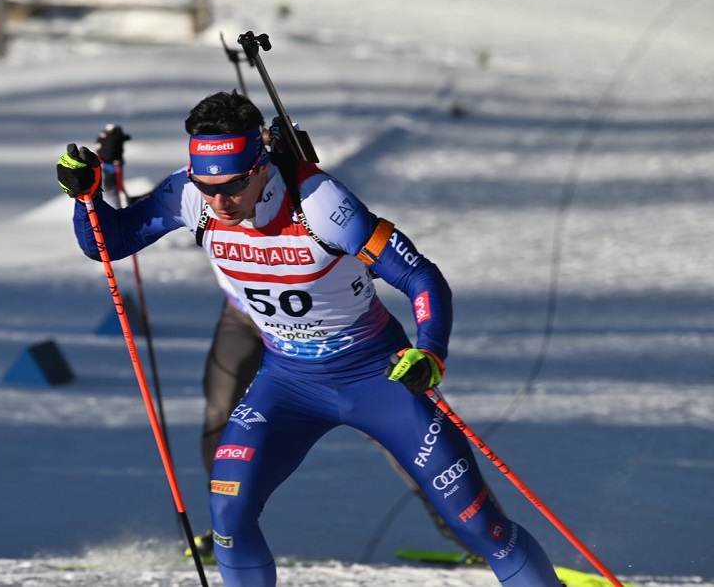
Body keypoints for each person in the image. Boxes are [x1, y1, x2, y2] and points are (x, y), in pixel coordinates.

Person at [58, 91, 561, 587]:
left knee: (479, 526)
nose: (218, 201)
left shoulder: (321, 203)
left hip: (378, 378)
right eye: (204, 184)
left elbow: (421, 278)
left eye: (231, 185)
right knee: (228, 513)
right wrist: (87, 199)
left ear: (259, 167)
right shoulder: (190, 195)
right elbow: (111, 241)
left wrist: (430, 352)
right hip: (288, 384)